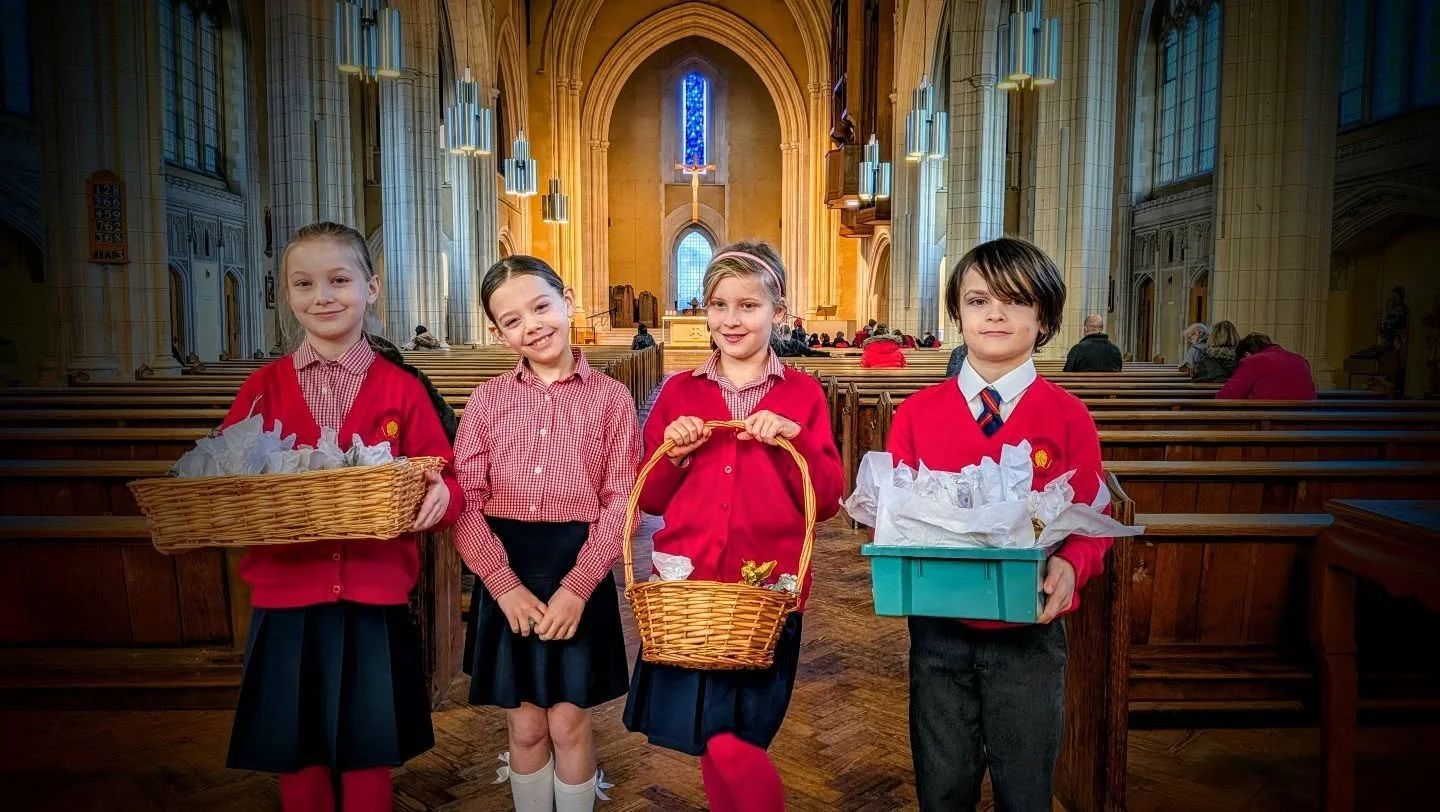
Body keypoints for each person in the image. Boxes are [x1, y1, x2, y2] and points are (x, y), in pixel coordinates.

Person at [221, 222, 465, 812]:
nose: (322, 296)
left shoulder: (402, 389)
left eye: (339, 280)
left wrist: (443, 497)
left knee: (366, 748)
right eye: (303, 284)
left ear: (371, 288)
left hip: (372, 597)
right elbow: (228, 479)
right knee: (296, 747)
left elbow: (445, 475)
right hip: (285, 599)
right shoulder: (261, 388)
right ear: (287, 295)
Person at [886, 237, 1111, 811]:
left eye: (1015, 300)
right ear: (958, 314)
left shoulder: (1068, 416)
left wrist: (1071, 563)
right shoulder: (916, 414)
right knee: (943, 786)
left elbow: (1092, 514)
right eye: (978, 299)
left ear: (1044, 317)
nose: (995, 313)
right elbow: (893, 517)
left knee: (1026, 790)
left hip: (1030, 630)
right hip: (939, 629)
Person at [623, 240, 845, 812]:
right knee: (712, 741)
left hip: (765, 594)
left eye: (748, 305)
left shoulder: (802, 392)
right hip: (690, 596)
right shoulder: (679, 391)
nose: (731, 319)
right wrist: (672, 453)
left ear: (778, 310)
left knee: (738, 738)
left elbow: (827, 501)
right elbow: (647, 498)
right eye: (719, 305)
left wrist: (795, 438)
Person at [451, 256, 641, 812]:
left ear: (568, 301)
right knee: (527, 727)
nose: (531, 325)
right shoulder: (487, 400)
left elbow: (620, 501)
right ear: (497, 332)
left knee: (568, 725)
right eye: (511, 320)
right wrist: (500, 582)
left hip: (576, 565)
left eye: (540, 306)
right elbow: (467, 501)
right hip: (506, 568)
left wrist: (579, 585)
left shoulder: (610, 398)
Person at [1216, 333, 1317, 400]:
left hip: (1269, 422)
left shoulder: (1252, 361)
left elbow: (1226, 397)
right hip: (1307, 422)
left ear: (1246, 354)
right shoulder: (1301, 360)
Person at [1190, 319, 1239, 383]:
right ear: (1235, 337)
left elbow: (1196, 386)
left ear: (1212, 337)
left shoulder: (1204, 363)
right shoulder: (1243, 360)